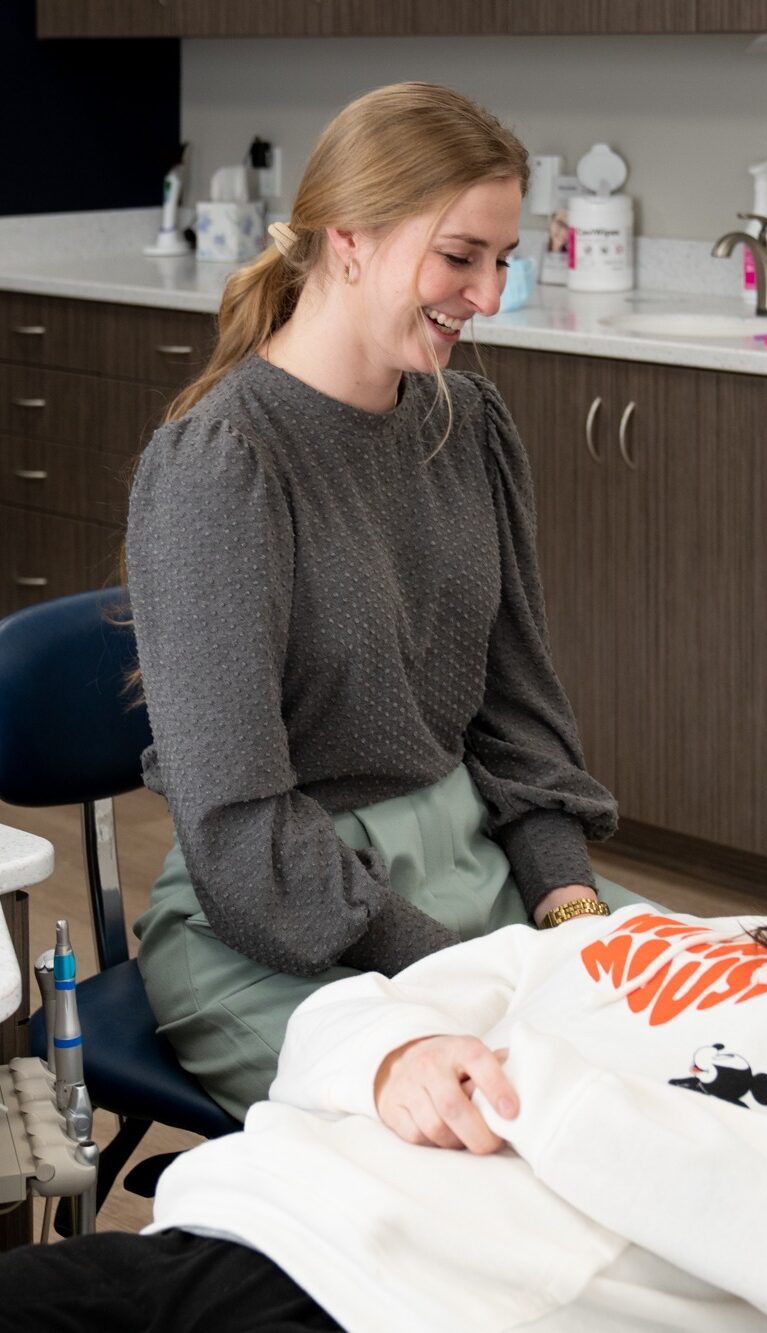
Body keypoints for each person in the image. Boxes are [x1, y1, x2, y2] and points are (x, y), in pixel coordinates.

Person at [0, 793, 767, 1333]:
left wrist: (575, 1113)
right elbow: (360, 1010)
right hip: (243, 1224)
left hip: (413, 1307)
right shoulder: (685, 936)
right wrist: (398, 1055)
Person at [120, 82, 643, 1122]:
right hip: (281, 923)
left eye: (503, 260)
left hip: (476, 870)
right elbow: (238, 831)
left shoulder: (470, 425)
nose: (488, 297)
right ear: (347, 237)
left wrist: (570, 907)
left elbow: (516, 716)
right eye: (459, 258)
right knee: (530, 1110)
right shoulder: (222, 466)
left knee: (706, 1021)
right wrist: (471, 974)